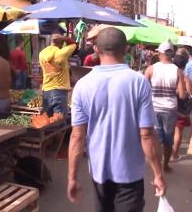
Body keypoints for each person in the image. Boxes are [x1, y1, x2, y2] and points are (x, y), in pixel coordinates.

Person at [68, 27, 166, 211]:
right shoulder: (138, 82)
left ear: (96, 50)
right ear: (126, 49)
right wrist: (158, 174)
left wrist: (72, 178)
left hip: (99, 172)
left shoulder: (82, 85)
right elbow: (146, 134)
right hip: (130, 174)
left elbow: (77, 136)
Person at [145, 41, 186, 172]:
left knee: (156, 139)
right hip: (170, 110)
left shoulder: (150, 69)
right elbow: (182, 95)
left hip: (154, 109)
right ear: (171, 54)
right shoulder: (178, 71)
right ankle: (165, 165)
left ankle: (156, 167)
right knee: (168, 140)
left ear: (159, 53)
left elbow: (143, 91)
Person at [171, 49, 192, 162]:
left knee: (168, 132)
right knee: (178, 132)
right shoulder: (184, 77)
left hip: (168, 106)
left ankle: (165, 153)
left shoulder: (169, 75)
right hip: (181, 108)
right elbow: (191, 93)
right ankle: (174, 155)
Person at [39, 32, 77, 117]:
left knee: (47, 121)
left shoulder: (42, 53)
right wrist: (65, 38)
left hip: (46, 91)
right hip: (59, 92)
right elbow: (74, 44)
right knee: (58, 123)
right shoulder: (61, 54)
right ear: (61, 42)